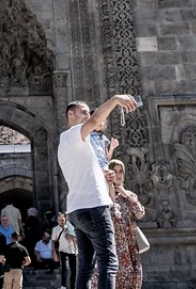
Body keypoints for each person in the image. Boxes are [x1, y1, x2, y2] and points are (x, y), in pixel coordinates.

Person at [57, 95, 137, 289]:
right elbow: (95, 120)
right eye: (83, 112)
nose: (87, 115)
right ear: (71, 114)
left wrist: (104, 175)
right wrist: (116, 99)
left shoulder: (71, 143)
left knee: (85, 266)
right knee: (109, 261)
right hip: (93, 207)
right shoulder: (74, 134)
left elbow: (88, 170)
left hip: (77, 211)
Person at [95, 160, 144, 289]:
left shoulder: (129, 195)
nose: (118, 174)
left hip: (128, 245)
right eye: (115, 171)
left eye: (121, 171)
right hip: (110, 244)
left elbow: (139, 213)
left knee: (129, 280)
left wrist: (125, 194)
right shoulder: (102, 195)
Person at [51, 212, 77, 289]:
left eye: (62, 220)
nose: (61, 222)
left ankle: (73, 286)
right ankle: (63, 286)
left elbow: (75, 238)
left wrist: (70, 236)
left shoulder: (70, 227)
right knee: (64, 269)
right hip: (62, 251)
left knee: (74, 270)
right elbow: (53, 242)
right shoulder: (55, 229)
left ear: (65, 219)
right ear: (57, 220)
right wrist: (54, 253)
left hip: (72, 250)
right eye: (59, 220)